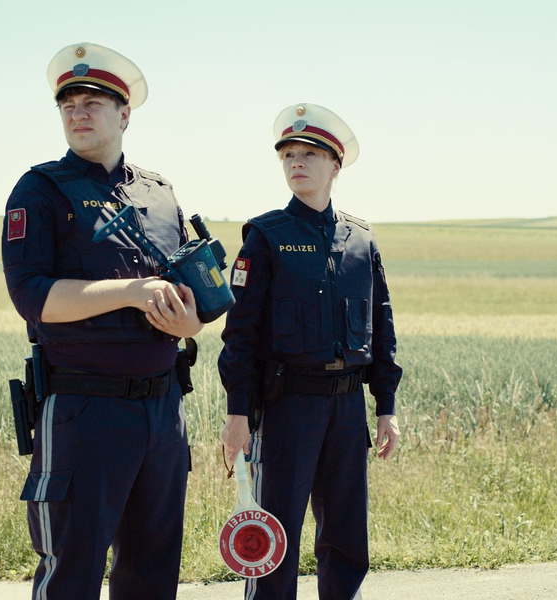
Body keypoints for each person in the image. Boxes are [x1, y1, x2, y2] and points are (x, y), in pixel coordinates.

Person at [1, 42, 202, 600]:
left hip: (162, 413)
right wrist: (133, 292)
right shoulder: (41, 190)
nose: (78, 113)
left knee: (152, 573)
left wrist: (190, 325)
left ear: (125, 114)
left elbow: (194, 300)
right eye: (68, 104)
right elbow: (33, 297)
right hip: (84, 413)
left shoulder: (160, 195)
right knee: (72, 573)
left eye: (93, 102)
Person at [219, 103, 403, 599]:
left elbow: (381, 326)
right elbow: (240, 334)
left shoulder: (361, 239)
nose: (296, 163)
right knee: (274, 537)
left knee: (346, 535)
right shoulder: (265, 237)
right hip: (286, 408)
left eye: (309, 154)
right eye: (289, 155)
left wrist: (385, 407)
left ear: (335, 166)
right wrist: (239, 413)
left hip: (346, 409)